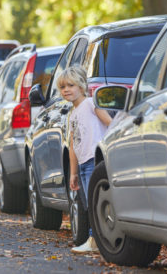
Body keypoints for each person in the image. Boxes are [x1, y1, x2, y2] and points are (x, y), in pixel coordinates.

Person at [56, 66, 112, 253]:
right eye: (63, 87)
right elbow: (73, 144)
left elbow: (109, 123)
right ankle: (95, 239)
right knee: (89, 203)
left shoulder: (90, 104)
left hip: (95, 160)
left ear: (81, 85)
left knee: (95, 202)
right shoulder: (72, 114)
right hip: (83, 164)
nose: (66, 90)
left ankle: (96, 240)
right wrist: (73, 172)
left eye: (70, 85)